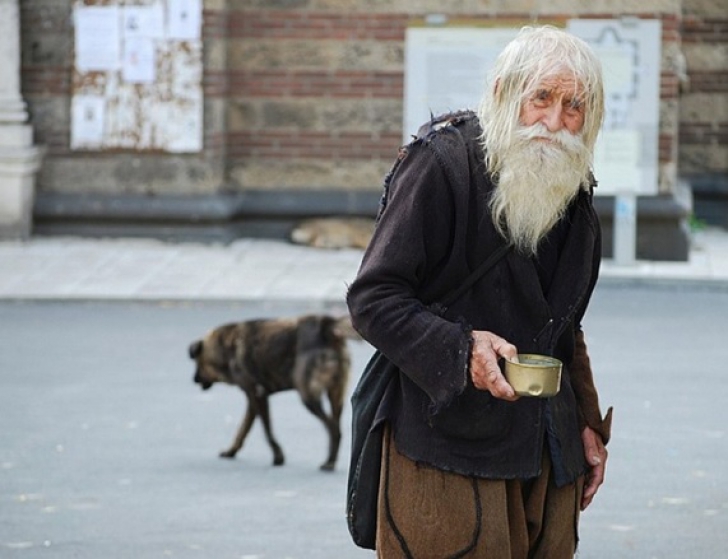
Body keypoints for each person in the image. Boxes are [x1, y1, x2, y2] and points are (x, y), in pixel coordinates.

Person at [346, 26, 613, 558]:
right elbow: (374, 299)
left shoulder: (572, 183)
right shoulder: (441, 164)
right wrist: (463, 349)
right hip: (446, 453)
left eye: (574, 106)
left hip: (547, 452)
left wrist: (586, 422)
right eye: (540, 98)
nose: (555, 123)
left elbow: (563, 323)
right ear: (502, 94)